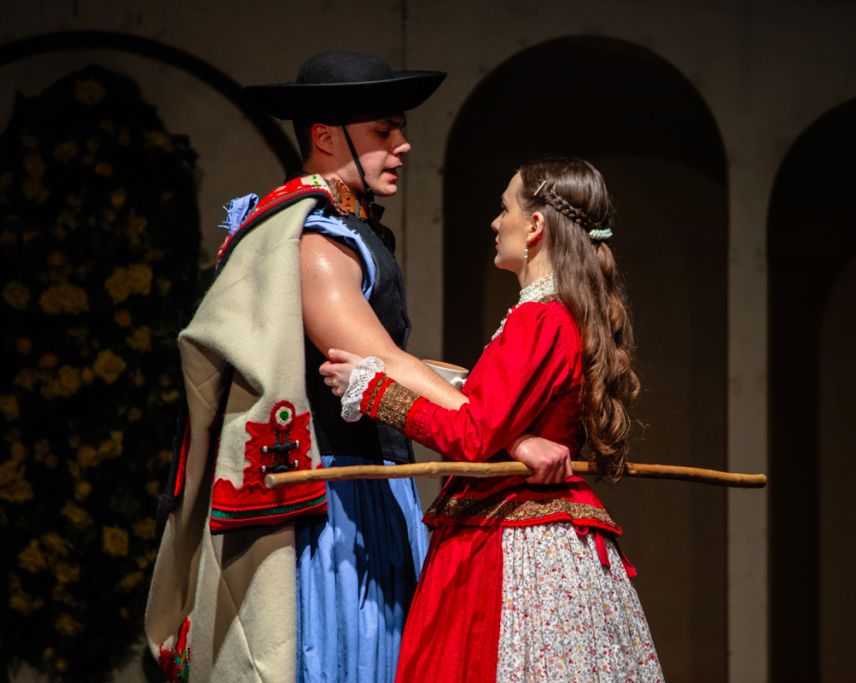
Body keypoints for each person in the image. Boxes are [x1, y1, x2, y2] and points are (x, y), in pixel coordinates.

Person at [144, 52, 567, 683]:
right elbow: (381, 360)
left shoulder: (351, 230)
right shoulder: (315, 239)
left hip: (377, 486)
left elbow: (398, 360)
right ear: (324, 135)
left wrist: (485, 404)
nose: (403, 145)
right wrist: (506, 436)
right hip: (335, 501)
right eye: (383, 131)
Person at [321, 156, 664, 681]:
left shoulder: (540, 319)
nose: (495, 222)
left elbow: (473, 434)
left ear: (535, 225)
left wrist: (373, 393)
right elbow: (494, 416)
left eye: (504, 209)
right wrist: (517, 438)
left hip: (509, 540)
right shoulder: (558, 315)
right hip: (529, 529)